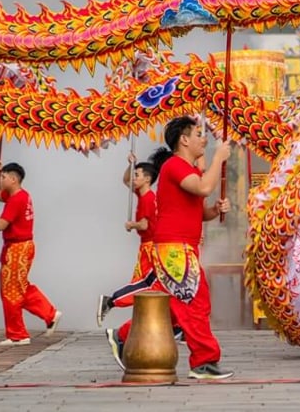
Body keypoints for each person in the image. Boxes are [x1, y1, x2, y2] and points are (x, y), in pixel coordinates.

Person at [106, 116, 234, 380]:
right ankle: (204, 362)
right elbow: (204, 187)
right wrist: (218, 158)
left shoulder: (187, 169)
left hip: (182, 246)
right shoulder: (175, 166)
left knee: (173, 306)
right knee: (194, 303)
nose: (204, 139)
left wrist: (215, 210)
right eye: (199, 134)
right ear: (184, 140)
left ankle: (124, 334)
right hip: (175, 248)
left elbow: (197, 212)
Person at [0, 161, 62, 346]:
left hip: (17, 248)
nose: (2, 180)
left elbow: (0, 226)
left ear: (13, 179)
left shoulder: (16, 200)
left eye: (4, 177)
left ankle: (18, 334)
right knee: (18, 287)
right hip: (20, 247)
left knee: (11, 291)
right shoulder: (20, 195)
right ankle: (49, 313)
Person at [96, 155, 162, 327]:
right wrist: (130, 164)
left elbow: (144, 224)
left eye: (137, 175)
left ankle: (114, 302)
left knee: (146, 285)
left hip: (150, 247)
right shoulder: (142, 194)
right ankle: (115, 302)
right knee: (147, 285)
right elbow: (125, 179)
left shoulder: (148, 198)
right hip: (148, 248)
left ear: (147, 179)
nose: (134, 178)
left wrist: (132, 225)